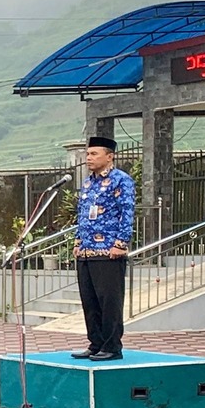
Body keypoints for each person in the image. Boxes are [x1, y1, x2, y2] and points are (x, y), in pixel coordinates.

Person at [72, 135, 135, 361]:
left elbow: (127, 213)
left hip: (109, 250)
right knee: (90, 301)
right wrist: (78, 241)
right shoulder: (88, 182)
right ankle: (96, 343)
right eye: (88, 154)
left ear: (110, 156)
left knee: (110, 300)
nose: (89, 158)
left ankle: (111, 346)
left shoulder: (121, 180)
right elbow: (82, 215)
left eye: (94, 154)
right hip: (87, 251)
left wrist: (121, 243)